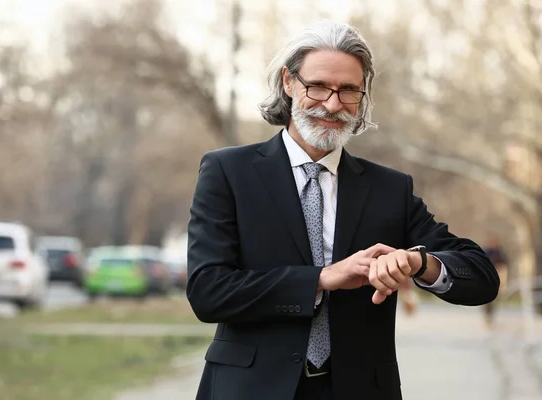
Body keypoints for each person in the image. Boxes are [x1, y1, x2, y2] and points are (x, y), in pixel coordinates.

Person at [186, 20, 500, 400]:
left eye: (349, 90)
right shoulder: (228, 172)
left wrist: (418, 264)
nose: (332, 105)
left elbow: (481, 276)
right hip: (249, 390)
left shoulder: (390, 188)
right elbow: (208, 291)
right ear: (288, 81)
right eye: (317, 86)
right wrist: (321, 279)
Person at [482, 236, 509, 328]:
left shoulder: (500, 253)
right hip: (487, 278)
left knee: (494, 299)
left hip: (497, 277)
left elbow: (504, 265)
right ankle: (487, 315)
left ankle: (491, 315)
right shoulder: (485, 252)